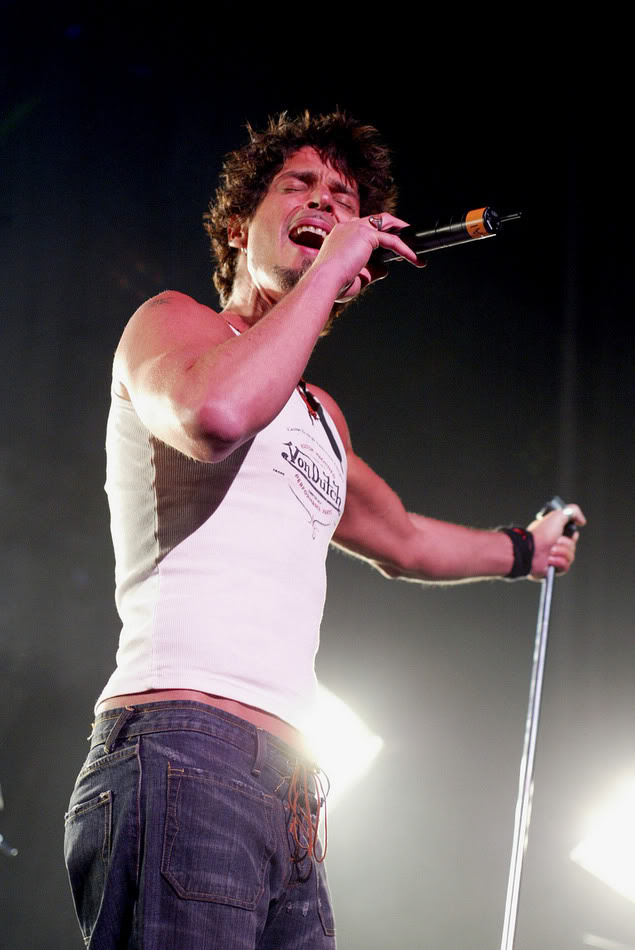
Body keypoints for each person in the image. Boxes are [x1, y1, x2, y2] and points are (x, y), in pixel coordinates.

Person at [64, 111, 585, 950]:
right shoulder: (175, 323)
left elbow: (404, 539)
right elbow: (215, 413)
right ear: (238, 229)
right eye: (298, 186)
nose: (325, 203)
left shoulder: (319, 417)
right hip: (185, 741)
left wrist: (526, 548)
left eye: (344, 199)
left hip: (295, 791)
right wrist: (333, 262)